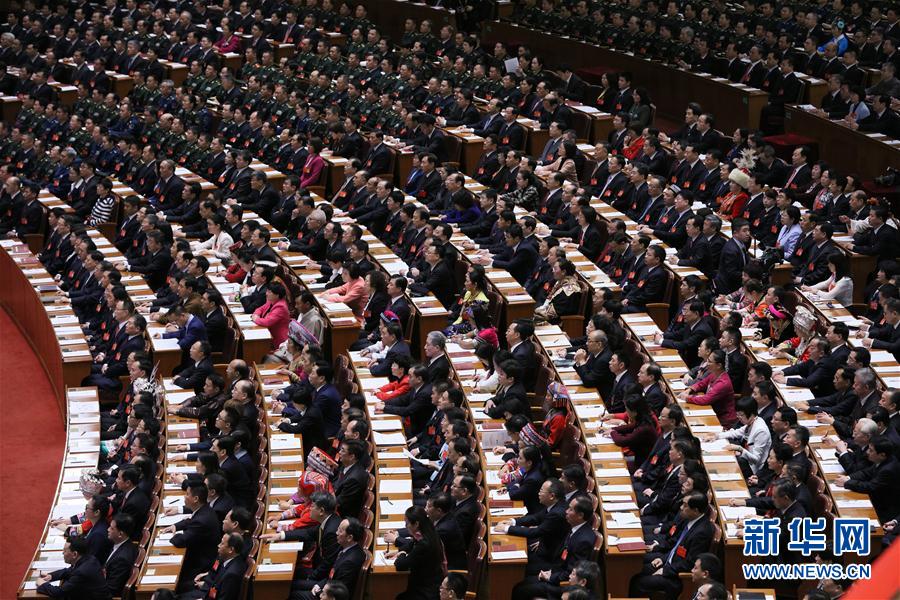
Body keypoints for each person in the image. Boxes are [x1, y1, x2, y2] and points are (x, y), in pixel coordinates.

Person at [166, 483, 222, 592]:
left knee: (176, 586)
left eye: (187, 494)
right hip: (201, 555)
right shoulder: (205, 509)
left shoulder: (202, 520)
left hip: (201, 563)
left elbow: (181, 541)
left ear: (195, 499)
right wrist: (175, 526)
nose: (184, 497)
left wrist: (174, 535)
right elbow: (191, 521)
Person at [387, 506, 446, 600]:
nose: (405, 526)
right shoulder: (428, 531)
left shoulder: (424, 544)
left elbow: (401, 565)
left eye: (407, 523)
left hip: (426, 590)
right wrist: (397, 551)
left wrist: (402, 553)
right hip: (430, 579)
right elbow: (411, 544)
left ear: (416, 524)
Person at [36, 535, 111, 599]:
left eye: (65, 551)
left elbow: (59, 592)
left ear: (75, 554)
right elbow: (69, 570)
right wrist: (51, 576)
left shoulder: (82, 572)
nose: (63, 553)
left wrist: (43, 584)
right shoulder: (89, 558)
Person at [103, 514, 138, 598]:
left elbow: (111, 591)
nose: (108, 530)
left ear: (120, 534)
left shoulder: (121, 560)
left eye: (111, 528)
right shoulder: (124, 544)